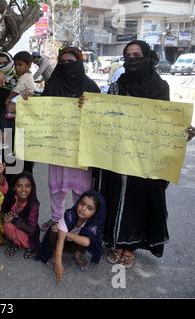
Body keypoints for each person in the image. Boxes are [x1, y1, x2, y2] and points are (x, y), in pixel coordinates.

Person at [89, 40, 195, 268]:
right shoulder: (118, 85)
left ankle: (130, 246)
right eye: (128, 55)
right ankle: (115, 241)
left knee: (138, 201)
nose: (132, 59)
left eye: (137, 54)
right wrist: (87, 106)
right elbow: (105, 115)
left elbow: (165, 120)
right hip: (117, 154)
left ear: (148, 57)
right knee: (116, 196)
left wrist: (181, 133)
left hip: (144, 157)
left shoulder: (160, 87)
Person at [40, 47, 100, 233]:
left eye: (71, 62)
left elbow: (101, 116)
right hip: (57, 146)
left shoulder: (91, 87)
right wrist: (29, 101)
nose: (66, 65)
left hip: (80, 148)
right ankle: (56, 219)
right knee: (56, 187)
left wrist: (90, 106)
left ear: (80, 63)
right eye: (63, 62)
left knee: (81, 190)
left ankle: (80, 224)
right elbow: (40, 109)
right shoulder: (53, 85)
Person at [37, 191, 106, 283]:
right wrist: (58, 262)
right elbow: (61, 238)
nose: (83, 209)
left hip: (75, 242)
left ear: (95, 212)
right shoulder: (70, 214)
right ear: (78, 202)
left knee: (88, 236)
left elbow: (86, 242)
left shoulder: (94, 223)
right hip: (63, 241)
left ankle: (78, 254)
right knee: (54, 231)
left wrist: (67, 233)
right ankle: (54, 254)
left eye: (89, 208)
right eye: (82, 203)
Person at [2, 171, 40, 258]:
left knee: (29, 241)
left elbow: (31, 229)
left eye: (27, 186)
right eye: (19, 186)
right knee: (7, 225)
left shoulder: (34, 204)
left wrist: (14, 219)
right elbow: (3, 210)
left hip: (28, 232)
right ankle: (16, 243)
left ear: (32, 187)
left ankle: (29, 247)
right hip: (15, 226)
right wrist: (5, 216)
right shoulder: (11, 196)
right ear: (14, 187)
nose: (23, 190)